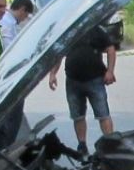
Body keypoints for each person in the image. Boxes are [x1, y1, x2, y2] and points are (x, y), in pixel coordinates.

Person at [47, 12, 119, 153]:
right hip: (73, 80)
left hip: (95, 80)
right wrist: (52, 74)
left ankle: (111, 145)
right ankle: (82, 145)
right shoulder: (69, 33)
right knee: (78, 115)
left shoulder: (96, 30)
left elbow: (111, 49)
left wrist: (110, 71)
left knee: (103, 114)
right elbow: (59, 54)